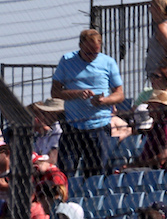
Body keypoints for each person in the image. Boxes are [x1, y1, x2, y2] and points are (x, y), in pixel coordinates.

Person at [51, 29, 125, 177]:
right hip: (73, 126)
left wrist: (104, 101)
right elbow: (55, 92)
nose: (91, 57)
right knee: (65, 173)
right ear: (80, 45)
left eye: (95, 53)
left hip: (99, 126)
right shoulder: (67, 60)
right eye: (88, 53)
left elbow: (120, 94)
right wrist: (77, 94)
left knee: (96, 174)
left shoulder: (108, 63)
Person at [132, 91, 167, 170]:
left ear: (160, 108)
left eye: (151, 106)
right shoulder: (157, 127)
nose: (148, 108)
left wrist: (140, 164)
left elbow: (164, 156)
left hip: (159, 171)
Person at [29, 98, 64, 170]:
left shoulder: (58, 130)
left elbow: (52, 159)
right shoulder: (41, 136)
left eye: (45, 113)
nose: (43, 116)